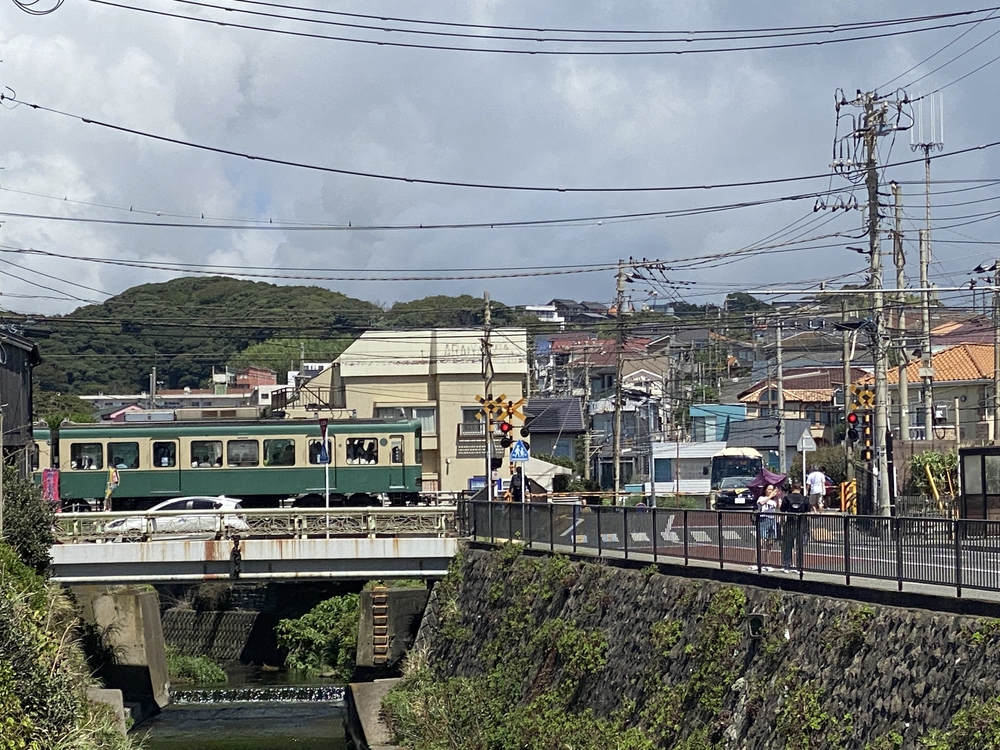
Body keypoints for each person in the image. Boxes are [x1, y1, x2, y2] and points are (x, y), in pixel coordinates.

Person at [780, 480, 811, 571]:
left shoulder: (787, 498)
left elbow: (782, 511)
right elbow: (808, 512)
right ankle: (799, 566)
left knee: (788, 544)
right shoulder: (805, 499)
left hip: (790, 523)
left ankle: (787, 565)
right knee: (799, 546)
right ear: (800, 488)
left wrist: (782, 524)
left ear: (792, 487)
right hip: (802, 523)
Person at [754, 484, 779, 571]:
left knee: (770, 543)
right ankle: (756, 562)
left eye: (772, 490)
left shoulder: (774, 501)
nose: (770, 491)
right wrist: (770, 496)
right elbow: (760, 503)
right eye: (769, 489)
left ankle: (767, 562)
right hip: (763, 519)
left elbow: (778, 508)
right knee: (761, 542)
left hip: (772, 520)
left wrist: (777, 497)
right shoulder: (761, 498)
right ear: (765, 490)